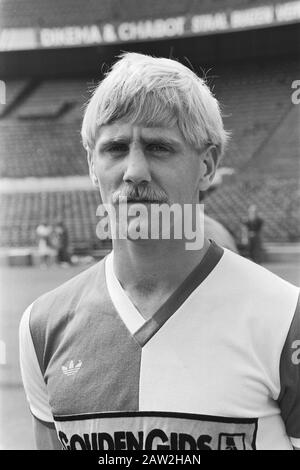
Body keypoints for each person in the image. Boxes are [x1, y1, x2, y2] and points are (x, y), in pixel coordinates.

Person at [19, 53, 300, 450]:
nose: (134, 171)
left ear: (207, 165)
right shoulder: (42, 327)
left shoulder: (288, 319)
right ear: (91, 165)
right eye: (115, 147)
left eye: (158, 148)